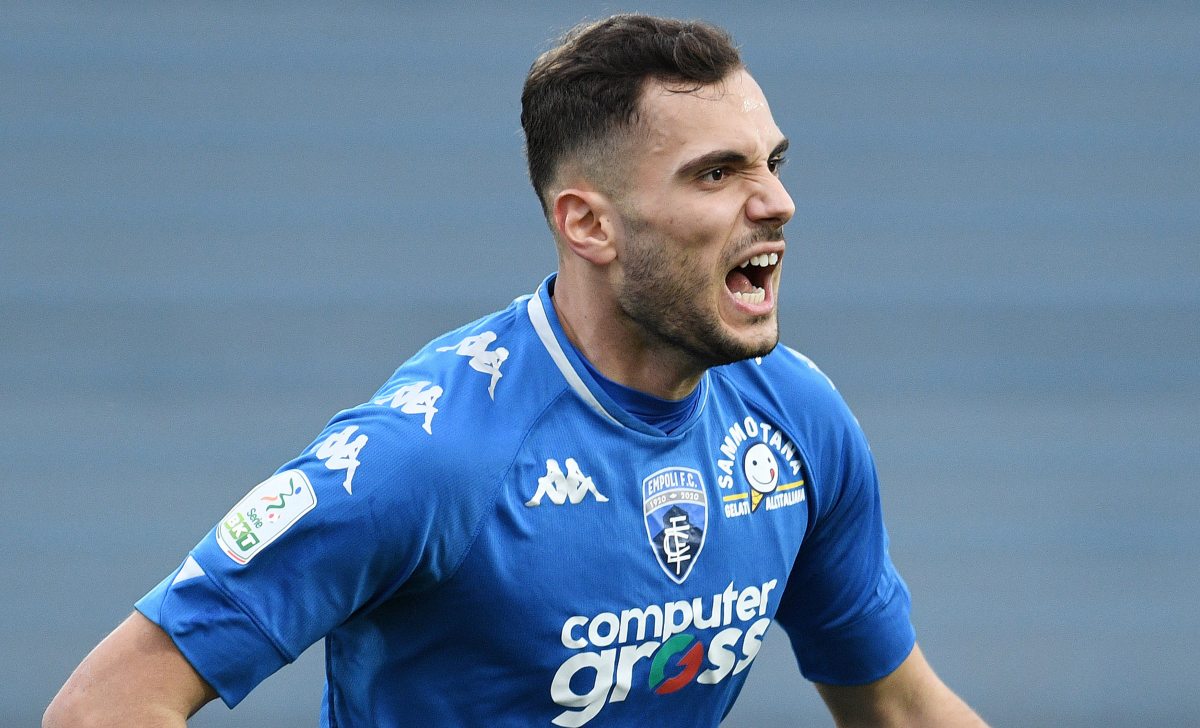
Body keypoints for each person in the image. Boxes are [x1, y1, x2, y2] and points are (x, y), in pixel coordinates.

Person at [45, 14, 988, 728]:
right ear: (589, 225)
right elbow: (105, 705)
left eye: (772, 163)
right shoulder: (430, 458)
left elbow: (900, 707)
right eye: (717, 173)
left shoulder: (794, 421)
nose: (777, 201)